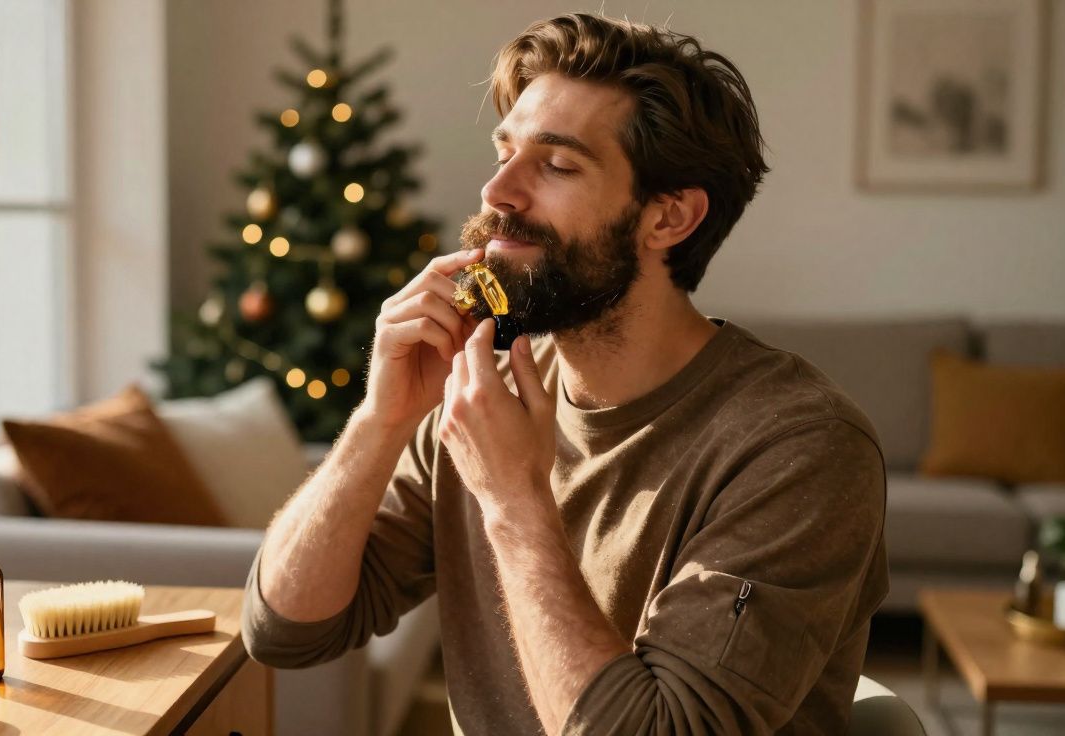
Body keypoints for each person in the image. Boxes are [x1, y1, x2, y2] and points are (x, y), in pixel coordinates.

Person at [242, 13, 888, 735]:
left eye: (556, 165)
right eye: (504, 152)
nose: (497, 193)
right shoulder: (475, 395)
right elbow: (285, 632)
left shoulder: (799, 449)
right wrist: (380, 420)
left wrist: (514, 503)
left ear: (668, 218)